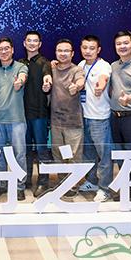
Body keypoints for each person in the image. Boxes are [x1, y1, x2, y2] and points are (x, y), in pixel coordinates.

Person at [0, 37, 29, 201]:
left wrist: (20, 82)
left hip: (16, 119)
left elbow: (23, 77)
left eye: (6, 48)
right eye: (0, 49)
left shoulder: (21, 67)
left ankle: (19, 186)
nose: (3, 51)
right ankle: (2, 183)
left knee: (19, 154)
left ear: (12, 50)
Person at [43, 39, 85, 197]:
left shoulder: (76, 70)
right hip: (56, 122)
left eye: (66, 51)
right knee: (59, 154)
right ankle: (62, 183)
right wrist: (46, 86)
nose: (63, 53)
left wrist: (77, 86)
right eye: (60, 50)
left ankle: (73, 185)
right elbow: (46, 79)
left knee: (74, 156)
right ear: (55, 53)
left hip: (73, 122)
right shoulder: (52, 69)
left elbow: (81, 80)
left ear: (72, 53)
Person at [77, 35, 114, 202]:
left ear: (98, 50)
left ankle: (105, 188)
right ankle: (92, 181)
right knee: (88, 153)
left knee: (104, 155)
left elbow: (103, 78)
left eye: (92, 48)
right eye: (85, 47)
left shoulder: (103, 65)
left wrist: (101, 86)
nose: (88, 51)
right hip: (83, 116)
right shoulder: (81, 65)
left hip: (99, 118)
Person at [19, 31, 53, 197]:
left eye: (35, 41)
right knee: (25, 150)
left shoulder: (45, 62)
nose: (32, 43)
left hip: (39, 114)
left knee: (41, 150)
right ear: (24, 43)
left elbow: (47, 76)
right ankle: (26, 180)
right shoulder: (20, 63)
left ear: (39, 44)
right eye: (29, 40)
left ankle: (43, 182)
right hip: (22, 115)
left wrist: (47, 83)